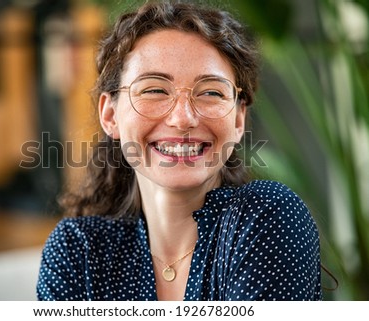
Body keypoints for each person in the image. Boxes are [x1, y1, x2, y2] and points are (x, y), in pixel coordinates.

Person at [36, 1, 322, 301]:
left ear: (238, 119)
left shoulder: (269, 219)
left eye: (211, 92)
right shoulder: (78, 250)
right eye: (155, 90)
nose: (183, 118)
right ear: (110, 115)